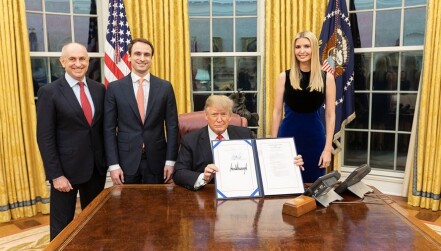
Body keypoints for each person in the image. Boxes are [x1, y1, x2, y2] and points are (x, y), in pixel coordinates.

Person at [36, 43, 107, 240]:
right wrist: (56, 174)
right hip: (65, 172)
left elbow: (101, 129)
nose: (78, 64)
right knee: (62, 227)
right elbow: (45, 137)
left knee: (94, 222)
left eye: (82, 59)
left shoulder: (99, 89)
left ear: (88, 61)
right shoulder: (49, 92)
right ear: (63, 62)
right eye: (72, 59)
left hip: (96, 169)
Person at [173, 95, 304, 191]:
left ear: (230, 117)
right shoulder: (190, 140)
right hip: (205, 197)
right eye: (214, 115)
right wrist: (203, 177)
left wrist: (289, 162)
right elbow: (179, 173)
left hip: (241, 195)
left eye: (224, 114)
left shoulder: (244, 134)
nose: (219, 119)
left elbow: (262, 162)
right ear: (206, 116)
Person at [104, 38, 178, 185]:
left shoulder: (165, 87)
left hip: (158, 161)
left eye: (147, 55)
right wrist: (113, 165)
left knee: (157, 205)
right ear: (129, 57)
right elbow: (109, 129)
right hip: (126, 161)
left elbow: (172, 127)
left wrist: (170, 161)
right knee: (127, 206)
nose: (142, 58)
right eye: (137, 54)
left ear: (151, 58)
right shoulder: (115, 88)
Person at [272, 31, 336, 183]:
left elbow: (330, 115)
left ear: (314, 48)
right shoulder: (284, 77)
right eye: (298, 47)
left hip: (315, 141)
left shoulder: (327, 78)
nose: (302, 51)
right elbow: (276, 112)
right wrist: (273, 145)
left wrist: (327, 149)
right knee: (285, 184)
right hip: (287, 139)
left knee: (314, 189)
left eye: (306, 46)